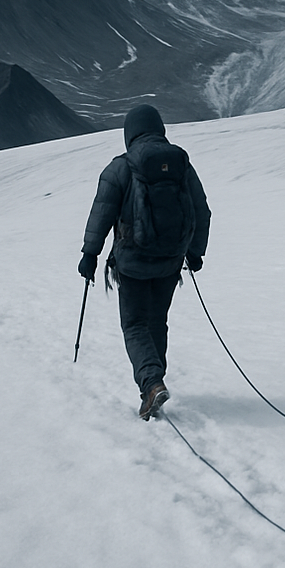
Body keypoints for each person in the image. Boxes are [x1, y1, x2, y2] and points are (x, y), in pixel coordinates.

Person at [78, 104, 211, 420]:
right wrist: (195, 252)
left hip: (132, 263)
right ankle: (154, 381)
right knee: (156, 322)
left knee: (135, 324)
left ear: (129, 133)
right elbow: (201, 210)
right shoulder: (180, 165)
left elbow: (102, 214)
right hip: (169, 262)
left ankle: (151, 384)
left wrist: (89, 254)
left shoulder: (119, 168)